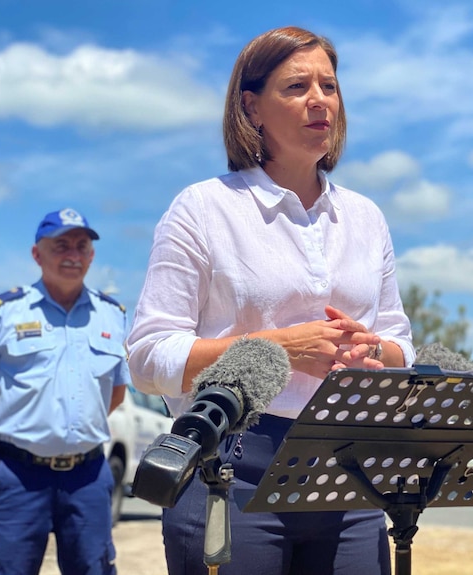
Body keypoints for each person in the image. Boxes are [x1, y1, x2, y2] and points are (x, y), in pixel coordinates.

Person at [127, 26, 414, 575]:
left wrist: (375, 350)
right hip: (230, 468)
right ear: (252, 107)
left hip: (347, 468)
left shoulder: (367, 218)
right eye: (297, 87)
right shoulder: (202, 209)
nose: (320, 101)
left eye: (329, 87)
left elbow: (399, 340)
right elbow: (147, 358)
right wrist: (276, 348)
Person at [0, 208, 131, 575]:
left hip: (88, 476)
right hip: (18, 474)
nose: (73, 254)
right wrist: (11, 430)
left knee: (94, 569)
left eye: (82, 246)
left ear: (92, 256)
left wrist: (73, 430)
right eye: (61, 245)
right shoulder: (3, 312)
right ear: (37, 254)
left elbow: (116, 392)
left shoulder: (112, 314)